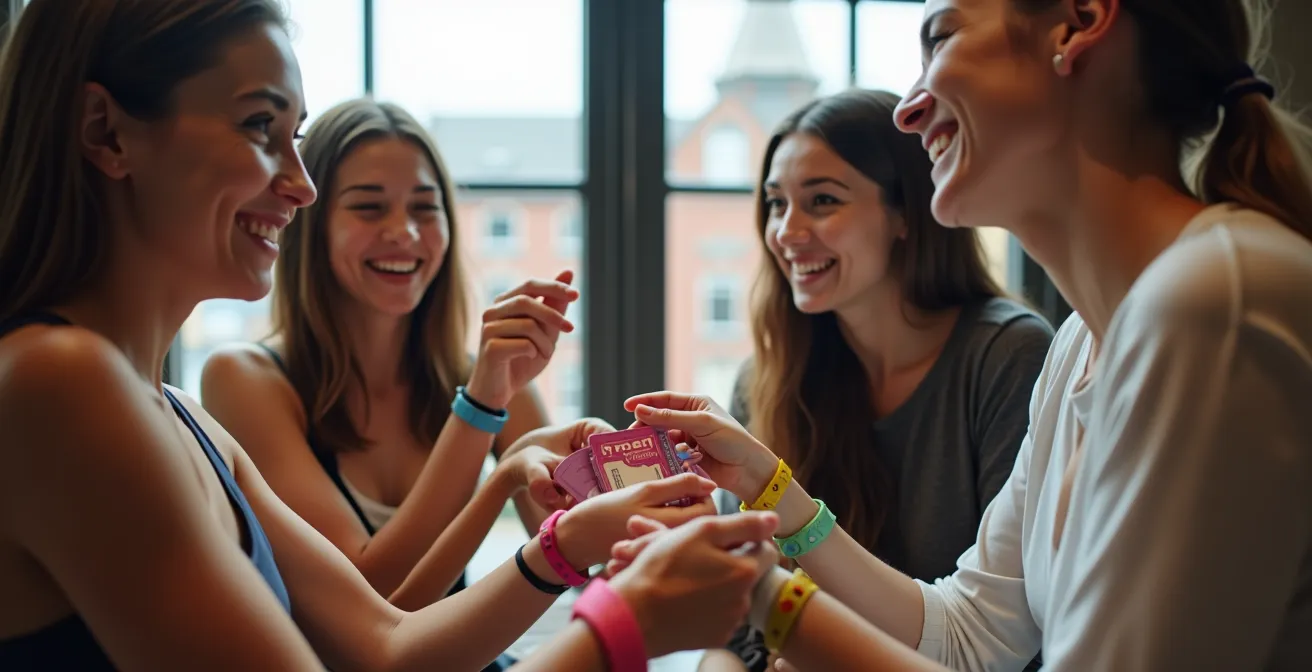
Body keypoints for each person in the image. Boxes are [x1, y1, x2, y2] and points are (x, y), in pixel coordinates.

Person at [0, 1, 760, 669]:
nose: (299, 185)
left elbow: (386, 646)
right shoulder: (61, 381)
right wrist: (623, 627)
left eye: (296, 136)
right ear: (107, 132)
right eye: (260, 126)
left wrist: (567, 545)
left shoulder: (182, 417)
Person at [625, 0, 1312, 669]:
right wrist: (767, 490)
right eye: (776, 204)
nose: (908, 108)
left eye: (942, 38)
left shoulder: (1216, 301)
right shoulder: (1079, 345)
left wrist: (763, 594)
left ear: (1077, 26)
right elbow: (967, 635)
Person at [201, 101, 569, 669]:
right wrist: (480, 413)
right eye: (369, 208)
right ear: (310, 224)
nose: (404, 232)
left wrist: (632, 469)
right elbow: (372, 607)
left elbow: (585, 553)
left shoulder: (491, 377)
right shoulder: (244, 378)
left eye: (425, 208)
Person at [702, 87, 1052, 672]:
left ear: (906, 214)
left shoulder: (1007, 358)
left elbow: (1016, 633)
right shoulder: (764, 379)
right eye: (776, 204)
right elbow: (730, 625)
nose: (786, 231)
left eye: (822, 201)